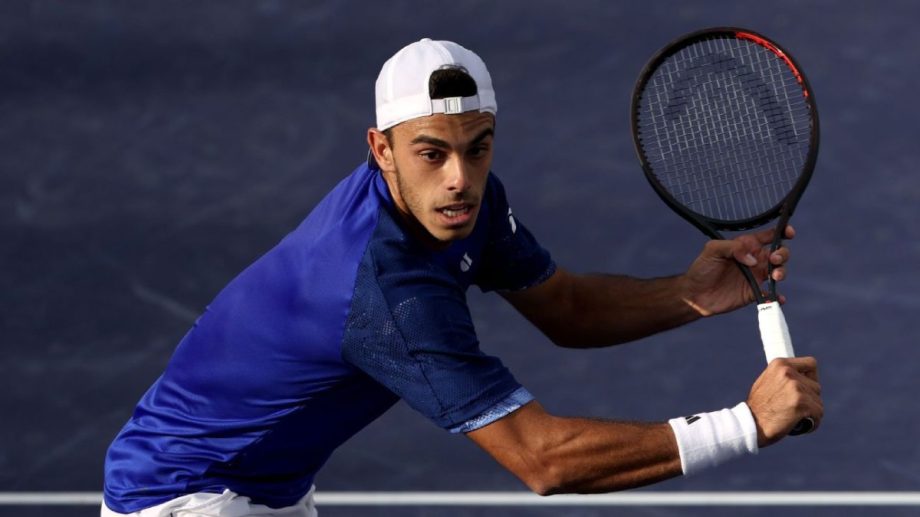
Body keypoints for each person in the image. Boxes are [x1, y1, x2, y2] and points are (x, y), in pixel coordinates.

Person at [101, 38, 823, 516]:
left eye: (478, 148)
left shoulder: (462, 203)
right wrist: (745, 424)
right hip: (185, 500)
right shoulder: (386, 291)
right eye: (432, 154)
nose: (460, 179)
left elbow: (567, 309)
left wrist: (689, 293)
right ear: (380, 149)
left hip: (262, 489)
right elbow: (544, 460)